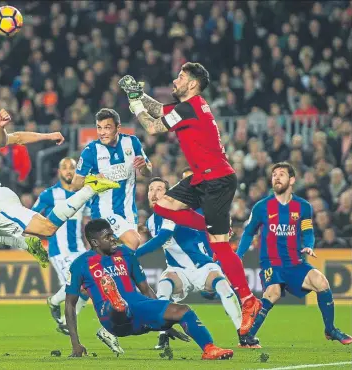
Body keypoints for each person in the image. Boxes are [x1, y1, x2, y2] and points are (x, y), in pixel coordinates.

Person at [118, 63, 261, 335]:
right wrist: (138, 94)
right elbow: (160, 110)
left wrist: (135, 105)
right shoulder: (189, 107)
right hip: (201, 178)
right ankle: (206, 224)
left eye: (181, 77)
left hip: (217, 180)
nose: (176, 79)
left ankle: (247, 299)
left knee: (220, 248)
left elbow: (153, 127)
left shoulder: (190, 107)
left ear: (192, 84)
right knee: (162, 206)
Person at [0, 91, 119, 266]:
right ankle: (28, 244)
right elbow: (18, 137)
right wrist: (47, 136)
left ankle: (90, 188)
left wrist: (1, 129)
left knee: (48, 228)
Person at [64, 218, 234, 360]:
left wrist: (165, 325)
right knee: (117, 308)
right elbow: (70, 304)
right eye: (107, 237)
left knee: (183, 311)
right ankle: (116, 302)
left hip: (140, 309)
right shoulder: (80, 265)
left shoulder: (125, 253)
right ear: (95, 242)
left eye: (112, 234)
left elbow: (145, 289)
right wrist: (75, 343)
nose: (114, 238)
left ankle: (209, 348)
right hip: (113, 319)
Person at [135, 177, 260, 349]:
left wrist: (134, 254)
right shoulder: (150, 221)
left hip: (201, 266)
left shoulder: (171, 212)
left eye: (159, 189)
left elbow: (162, 239)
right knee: (163, 288)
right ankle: (163, 336)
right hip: (177, 271)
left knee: (223, 286)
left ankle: (243, 334)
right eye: (151, 189)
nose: (154, 193)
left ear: (168, 194)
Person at [237, 162, 352, 345]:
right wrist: (238, 255)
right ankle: (247, 336)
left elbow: (307, 231)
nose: (276, 177)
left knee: (321, 281)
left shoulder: (304, 207)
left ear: (292, 180)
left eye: (281, 174)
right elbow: (249, 232)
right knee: (273, 292)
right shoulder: (261, 207)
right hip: (271, 261)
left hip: (294, 262)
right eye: (274, 174)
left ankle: (330, 329)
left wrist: (309, 245)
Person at [33, 157, 123, 353]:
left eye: (72, 167)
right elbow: (32, 215)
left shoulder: (83, 196)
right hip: (59, 250)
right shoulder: (49, 194)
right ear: (58, 171)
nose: (68, 171)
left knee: (88, 286)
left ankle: (57, 306)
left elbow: (88, 222)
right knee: (82, 286)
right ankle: (61, 311)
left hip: (79, 250)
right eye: (64, 167)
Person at [71, 108, 152, 250]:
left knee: (121, 256)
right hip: (104, 211)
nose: (102, 132)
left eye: (107, 128)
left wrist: (144, 166)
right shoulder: (91, 151)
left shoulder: (132, 143)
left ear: (118, 128)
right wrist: (93, 178)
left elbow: (147, 171)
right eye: (99, 127)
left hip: (128, 211)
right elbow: (75, 184)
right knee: (133, 242)